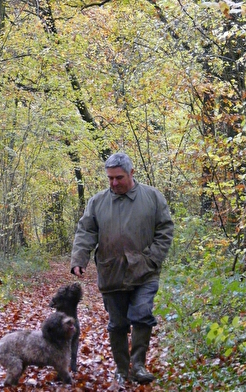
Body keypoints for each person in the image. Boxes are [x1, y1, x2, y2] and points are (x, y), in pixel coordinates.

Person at [70, 152, 173, 389]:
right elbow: (86, 232)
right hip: (111, 272)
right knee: (117, 324)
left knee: (142, 314)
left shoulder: (153, 197)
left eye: (119, 177)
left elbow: (165, 229)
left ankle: (138, 366)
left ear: (131, 173)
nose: (114, 183)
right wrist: (79, 259)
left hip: (145, 272)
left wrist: (153, 259)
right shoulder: (97, 202)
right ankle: (122, 369)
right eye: (110, 179)